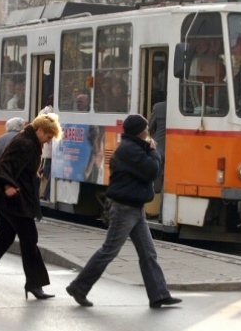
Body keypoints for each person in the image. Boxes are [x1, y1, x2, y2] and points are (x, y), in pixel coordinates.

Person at [66, 114, 182, 309]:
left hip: (135, 208)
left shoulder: (132, 147)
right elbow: (152, 170)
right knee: (109, 250)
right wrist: (153, 151)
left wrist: (148, 148)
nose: (148, 131)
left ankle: (159, 295)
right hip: (125, 209)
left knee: (148, 253)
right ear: (139, 131)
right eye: (145, 128)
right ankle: (79, 286)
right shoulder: (129, 150)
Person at [0, 113, 62, 300]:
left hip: (9, 200)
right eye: (49, 137)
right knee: (29, 239)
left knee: (4, 238)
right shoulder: (24, 143)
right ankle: (35, 284)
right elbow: (4, 166)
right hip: (14, 200)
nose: (49, 141)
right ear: (40, 130)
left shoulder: (31, 141)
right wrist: (8, 186)